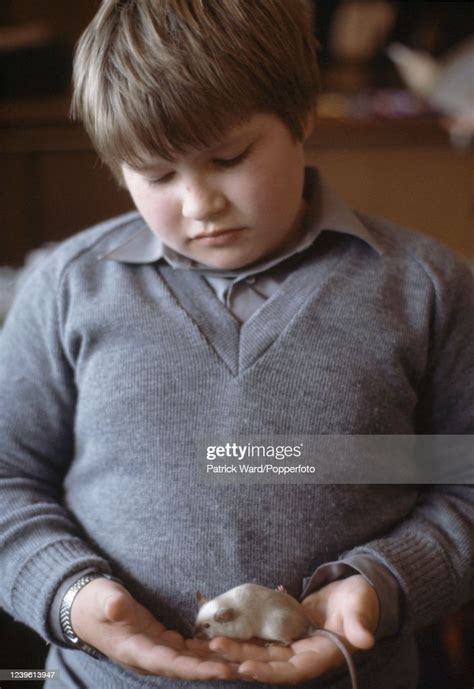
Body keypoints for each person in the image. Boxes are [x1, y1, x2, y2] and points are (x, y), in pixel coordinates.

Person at [0, 1, 472, 688]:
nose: (198, 204)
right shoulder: (66, 290)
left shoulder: (426, 289)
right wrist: (70, 597)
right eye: (156, 175)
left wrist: (384, 582)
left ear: (300, 115)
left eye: (228, 158)